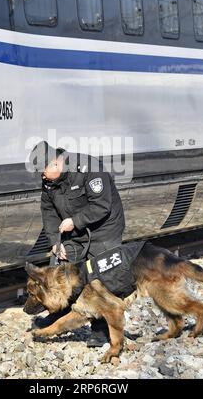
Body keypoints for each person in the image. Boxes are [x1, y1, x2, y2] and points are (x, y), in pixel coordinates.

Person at [28, 140, 125, 347]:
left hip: (104, 231)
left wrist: (75, 221)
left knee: (99, 282)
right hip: (75, 231)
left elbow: (101, 205)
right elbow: (49, 212)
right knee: (65, 275)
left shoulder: (89, 169)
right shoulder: (49, 181)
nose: (42, 177)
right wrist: (55, 242)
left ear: (55, 163)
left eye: (43, 171)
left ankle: (100, 331)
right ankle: (58, 314)